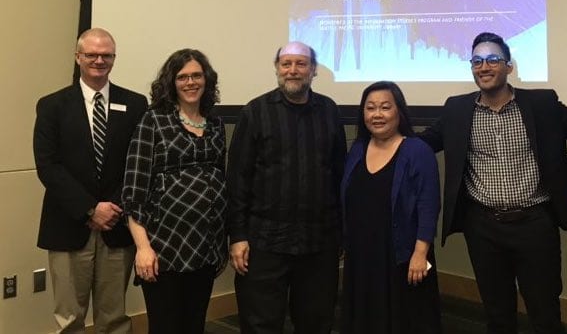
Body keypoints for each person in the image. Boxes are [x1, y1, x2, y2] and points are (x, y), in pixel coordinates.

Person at [420, 31, 567, 334]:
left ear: (509, 65)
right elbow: (424, 144)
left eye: (493, 59)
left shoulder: (542, 104)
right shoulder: (457, 109)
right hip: (482, 227)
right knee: (497, 315)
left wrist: (561, 177)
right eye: (477, 61)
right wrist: (383, 138)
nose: (484, 66)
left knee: (544, 312)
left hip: (535, 224)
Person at [33, 28, 148, 333]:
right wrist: (89, 208)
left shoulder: (136, 104)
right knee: (70, 319)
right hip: (69, 224)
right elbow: (48, 166)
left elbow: (138, 164)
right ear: (78, 57)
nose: (99, 60)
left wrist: (112, 208)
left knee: (114, 318)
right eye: (92, 54)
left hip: (117, 224)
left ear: (114, 58)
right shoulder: (52, 106)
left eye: (106, 55)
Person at [227, 41, 347, 334]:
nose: (293, 70)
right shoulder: (255, 112)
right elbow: (237, 178)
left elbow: (340, 175)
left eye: (301, 64)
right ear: (277, 69)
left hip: (318, 242)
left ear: (313, 70)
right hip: (265, 241)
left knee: (316, 321)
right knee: (260, 323)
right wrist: (238, 236)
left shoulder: (329, 111)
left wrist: (341, 233)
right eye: (286, 64)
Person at [122, 48, 227, 334]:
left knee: (194, 324)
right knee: (166, 326)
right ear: (171, 82)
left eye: (196, 75)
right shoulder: (153, 121)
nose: (190, 82)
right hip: (164, 248)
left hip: (205, 246)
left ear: (206, 80)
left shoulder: (215, 123)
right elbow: (134, 191)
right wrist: (143, 248)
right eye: (182, 77)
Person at [341, 81, 442, 334]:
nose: (377, 114)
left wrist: (420, 253)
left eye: (385, 107)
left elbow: (428, 205)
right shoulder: (357, 149)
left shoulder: (417, 150)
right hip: (363, 255)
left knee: (404, 320)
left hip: (402, 255)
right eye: (370, 108)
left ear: (399, 112)